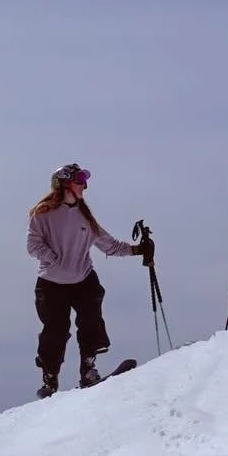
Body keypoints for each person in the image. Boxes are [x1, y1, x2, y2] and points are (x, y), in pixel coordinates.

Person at [27, 163, 147, 397]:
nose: (85, 185)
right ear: (65, 183)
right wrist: (53, 259)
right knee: (55, 330)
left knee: (91, 321)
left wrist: (138, 250)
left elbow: (109, 245)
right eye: (80, 179)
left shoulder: (84, 216)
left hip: (83, 279)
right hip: (51, 283)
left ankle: (88, 370)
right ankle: (50, 379)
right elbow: (33, 244)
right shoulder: (42, 214)